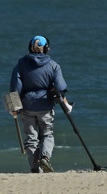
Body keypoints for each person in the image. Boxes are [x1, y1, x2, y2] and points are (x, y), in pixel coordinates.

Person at [9, 35, 73, 173]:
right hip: (45, 105)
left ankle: (34, 168)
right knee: (47, 135)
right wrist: (66, 105)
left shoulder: (21, 64)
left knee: (31, 139)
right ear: (46, 48)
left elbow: (15, 87)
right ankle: (45, 157)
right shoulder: (53, 65)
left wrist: (13, 107)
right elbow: (61, 88)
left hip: (27, 106)